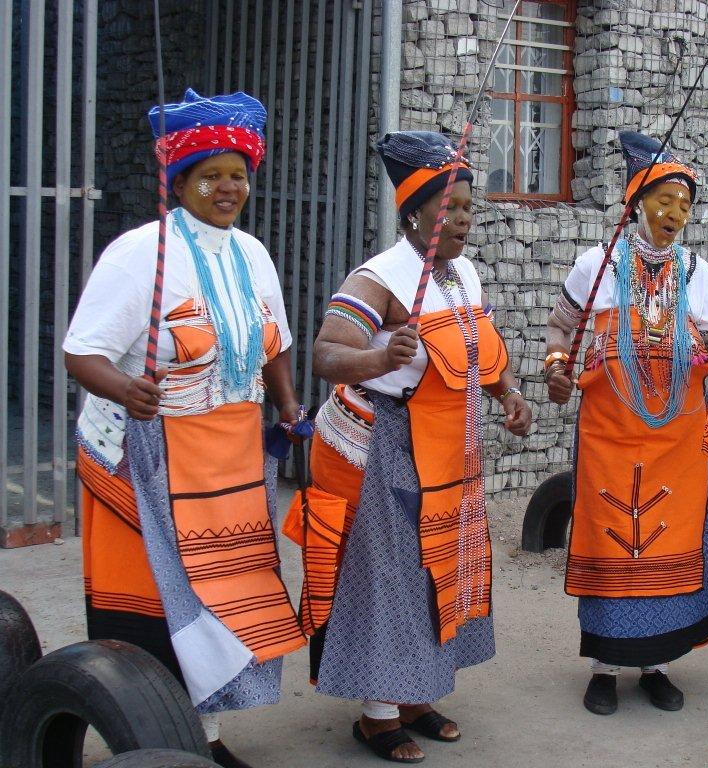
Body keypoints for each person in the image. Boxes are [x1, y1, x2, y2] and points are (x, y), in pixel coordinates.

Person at [64, 89, 305, 768]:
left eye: (238, 174)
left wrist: (287, 407)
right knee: (157, 603)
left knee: (227, 597)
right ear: (179, 181)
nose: (228, 188)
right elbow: (82, 350)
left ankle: (206, 741)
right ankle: (146, 738)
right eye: (210, 175)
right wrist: (125, 388)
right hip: (147, 455)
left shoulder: (254, 254)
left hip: (229, 455)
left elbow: (275, 341)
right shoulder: (142, 254)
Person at [310, 130, 532, 764]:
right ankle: (378, 715)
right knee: (392, 573)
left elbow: (478, 357)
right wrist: (380, 355)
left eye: (468, 208)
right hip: (388, 445)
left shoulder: (463, 274)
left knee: (441, 567)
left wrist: (507, 393)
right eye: (450, 209)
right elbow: (328, 352)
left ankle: (418, 693)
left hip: (451, 447)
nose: (462, 221)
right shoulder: (380, 278)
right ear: (414, 212)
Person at [544, 131, 708, 716]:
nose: (674, 214)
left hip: (678, 439)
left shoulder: (696, 269)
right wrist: (555, 369)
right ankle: (603, 668)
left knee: (669, 543)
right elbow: (561, 331)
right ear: (637, 202)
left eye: (685, 205)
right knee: (612, 546)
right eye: (664, 200)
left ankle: (657, 665)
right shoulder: (599, 261)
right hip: (608, 433)